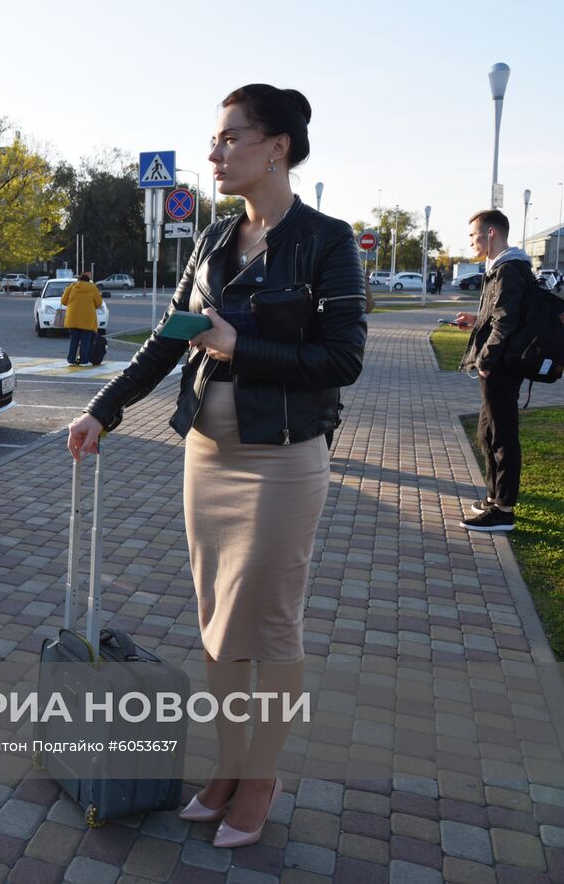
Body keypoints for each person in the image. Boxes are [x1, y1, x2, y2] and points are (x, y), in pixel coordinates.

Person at [67, 84, 365, 848]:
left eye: (232, 137)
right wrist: (103, 407)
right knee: (217, 626)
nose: (215, 152)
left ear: (278, 146)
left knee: (268, 626)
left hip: (283, 460)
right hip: (207, 456)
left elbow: (343, 358)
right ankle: (229, 765)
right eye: (216, 138)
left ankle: (260, 776)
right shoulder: (210, 242)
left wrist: (241, 347)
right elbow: (168, 341)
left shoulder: (327, 241)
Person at [459, 209, 534, 533]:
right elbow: (499, 317)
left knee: (502, 435)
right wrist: (475, 323)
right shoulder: (501, 268)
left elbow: (506, 322)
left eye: (474, 235)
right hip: (498, 364)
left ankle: (503, 510)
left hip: (501, 367)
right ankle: (494, 497)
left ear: (491, 234)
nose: (472, 241)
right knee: (487, 433)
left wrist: (486, 361)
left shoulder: (509, 268)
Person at [60, 272, 102, 365]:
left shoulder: (71, 287)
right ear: (88, 281)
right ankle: (84, 361)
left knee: (74, 339)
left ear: (78, 280)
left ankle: (71, 360)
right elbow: (99, 303)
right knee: (85, 340)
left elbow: (63, 301)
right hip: (87, 319)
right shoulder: (93, 288)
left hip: (72, 318)